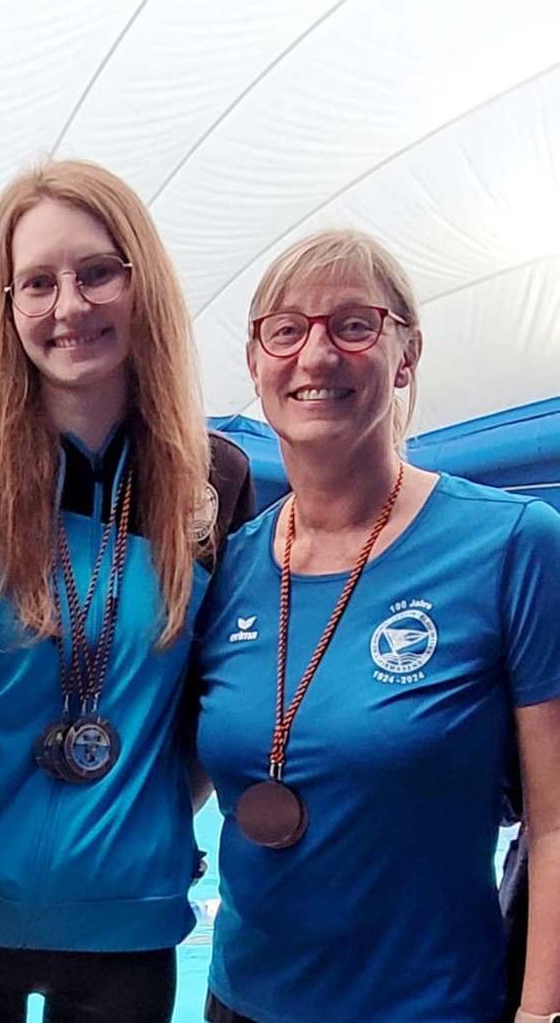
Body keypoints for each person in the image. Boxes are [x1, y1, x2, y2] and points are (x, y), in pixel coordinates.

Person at [0, 159, 253, 1021]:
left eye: (96, 273)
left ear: (141, 284)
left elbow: (213, 698)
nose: (68, 307)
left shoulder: (212, 481)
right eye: (37, 284)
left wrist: (151, 825)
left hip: (128, 919)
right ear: (7, 308)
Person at [192, 229, 560, 1023]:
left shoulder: (511, 544)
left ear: (404, 356)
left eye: (353, 325)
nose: (316, 354)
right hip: (238, 1001)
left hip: (427, 1006)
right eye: (285, 330)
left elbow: (553, 819)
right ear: (255, 364)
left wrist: (538, 1012)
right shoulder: (231, 565)